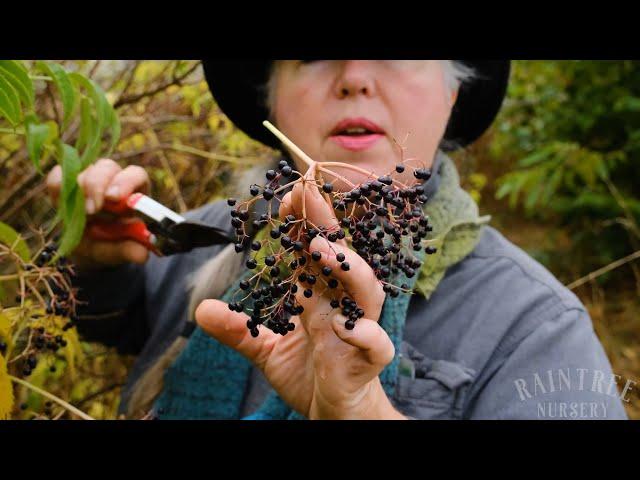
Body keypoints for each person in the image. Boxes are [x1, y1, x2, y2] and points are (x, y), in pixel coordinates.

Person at [46, 60, 628, 419]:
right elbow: (110, 325)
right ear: (270, 97)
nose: (354, 77)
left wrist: (360, 412)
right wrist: (96, 263)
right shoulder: (205, 238)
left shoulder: (535, 329)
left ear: (453, 93)